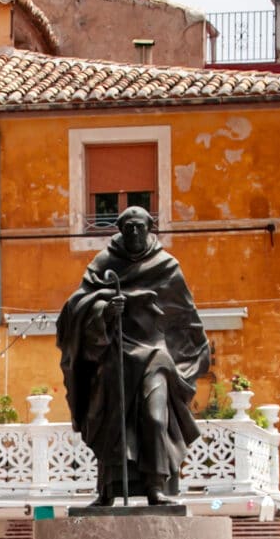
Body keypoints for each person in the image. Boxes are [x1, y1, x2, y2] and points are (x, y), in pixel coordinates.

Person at [54, 206, 213, 507]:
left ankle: (156, 486)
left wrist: (193, 358)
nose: (135, 233)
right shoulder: (104, 263)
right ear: (120, 230)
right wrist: (104, 308)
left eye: (140, 227)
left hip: (154, 354)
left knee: (154, 418)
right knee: (110, 422)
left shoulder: (166, 265)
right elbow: (74, 308)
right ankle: (107, 490)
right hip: (116, 354)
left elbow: (186, 318)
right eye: (128, 228)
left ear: (150, 227)